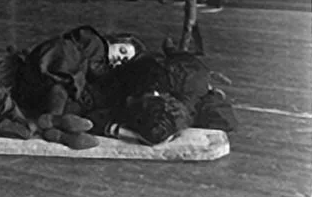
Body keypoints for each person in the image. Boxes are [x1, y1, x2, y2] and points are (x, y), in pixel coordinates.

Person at [13, 25, 146, 150]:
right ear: (115, 40)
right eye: (122, 50)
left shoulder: (103, 69)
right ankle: (56, 122)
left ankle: (58, 128)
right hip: (46, 68)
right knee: (66, 78)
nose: (119, 57)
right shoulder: (95, 42)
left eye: (124, 60)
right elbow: (87, 65)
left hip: (47, 92)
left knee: (73, 95)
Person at [88, 39, 238, 145]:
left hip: (150, 71)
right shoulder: (195, 89)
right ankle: (170, 52)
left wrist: (117, 130)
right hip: (176, 71)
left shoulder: (135, 96)